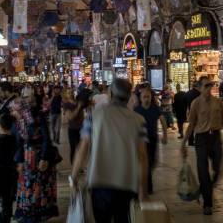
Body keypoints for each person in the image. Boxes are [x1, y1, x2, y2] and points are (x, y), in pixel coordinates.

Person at [71, 79, 149, 222]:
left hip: (100, 183)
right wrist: (143, 190)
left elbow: (83, 148)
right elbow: (142, 157)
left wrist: (74, 177)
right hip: (126, 183)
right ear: (129, 96)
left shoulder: (94, 117)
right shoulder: (139, 120)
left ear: (111, 93)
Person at [181, 77, 223, 215]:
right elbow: (191, 124)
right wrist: (183, 143)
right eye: (206, 86)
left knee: (218, 169)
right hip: (201, 139)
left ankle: (205, 188)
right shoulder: (195, 104)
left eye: (210, 85)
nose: (209, 88)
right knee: (203, 171)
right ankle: (207, 204)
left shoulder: (218, 102)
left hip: (215, 137)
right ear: (199, 88)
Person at [12, 96, 59, 222]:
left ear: (21, 110)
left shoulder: (38, 117)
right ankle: (29, 213)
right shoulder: (19, 122)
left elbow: (46, 138)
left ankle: (38, 213)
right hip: (27, 159)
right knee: (27, 186)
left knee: (40, 185)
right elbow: (19, 143)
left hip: (39, 158)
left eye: (15, 110)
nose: (13, 113)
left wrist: (44, 157)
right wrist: (20, 160)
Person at [134, 86, 168, 194]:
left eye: (148, 97)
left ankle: (145, 182)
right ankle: (147, 187)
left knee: (152, 162)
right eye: (144, 97)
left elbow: (162, 120)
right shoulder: (137, 110)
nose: (146, 99)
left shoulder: (155, 108)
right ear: (140, 98)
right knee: (145, 161)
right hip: (140, 141)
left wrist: (165, 134)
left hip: (152, 139)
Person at [64, 93, 88, 162]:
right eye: (69, 92)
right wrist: (78, 107)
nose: (70, 93)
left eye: (71, 92)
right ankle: (73, 165)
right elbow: (71, 117)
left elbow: (88, 107)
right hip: (72, 130)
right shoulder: (67, 105)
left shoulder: (79, 103)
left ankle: (80, 165)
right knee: (73, 148)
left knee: (81, 148)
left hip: (81, 129)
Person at [185, 81, 202, 147]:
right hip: (198, 112)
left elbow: (184, 101)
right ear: (197, 87)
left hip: (191, 111)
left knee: (191, 126)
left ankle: (190, 141)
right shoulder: (199, 93)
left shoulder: (188, 93)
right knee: (198, 126)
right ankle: (198, 140)